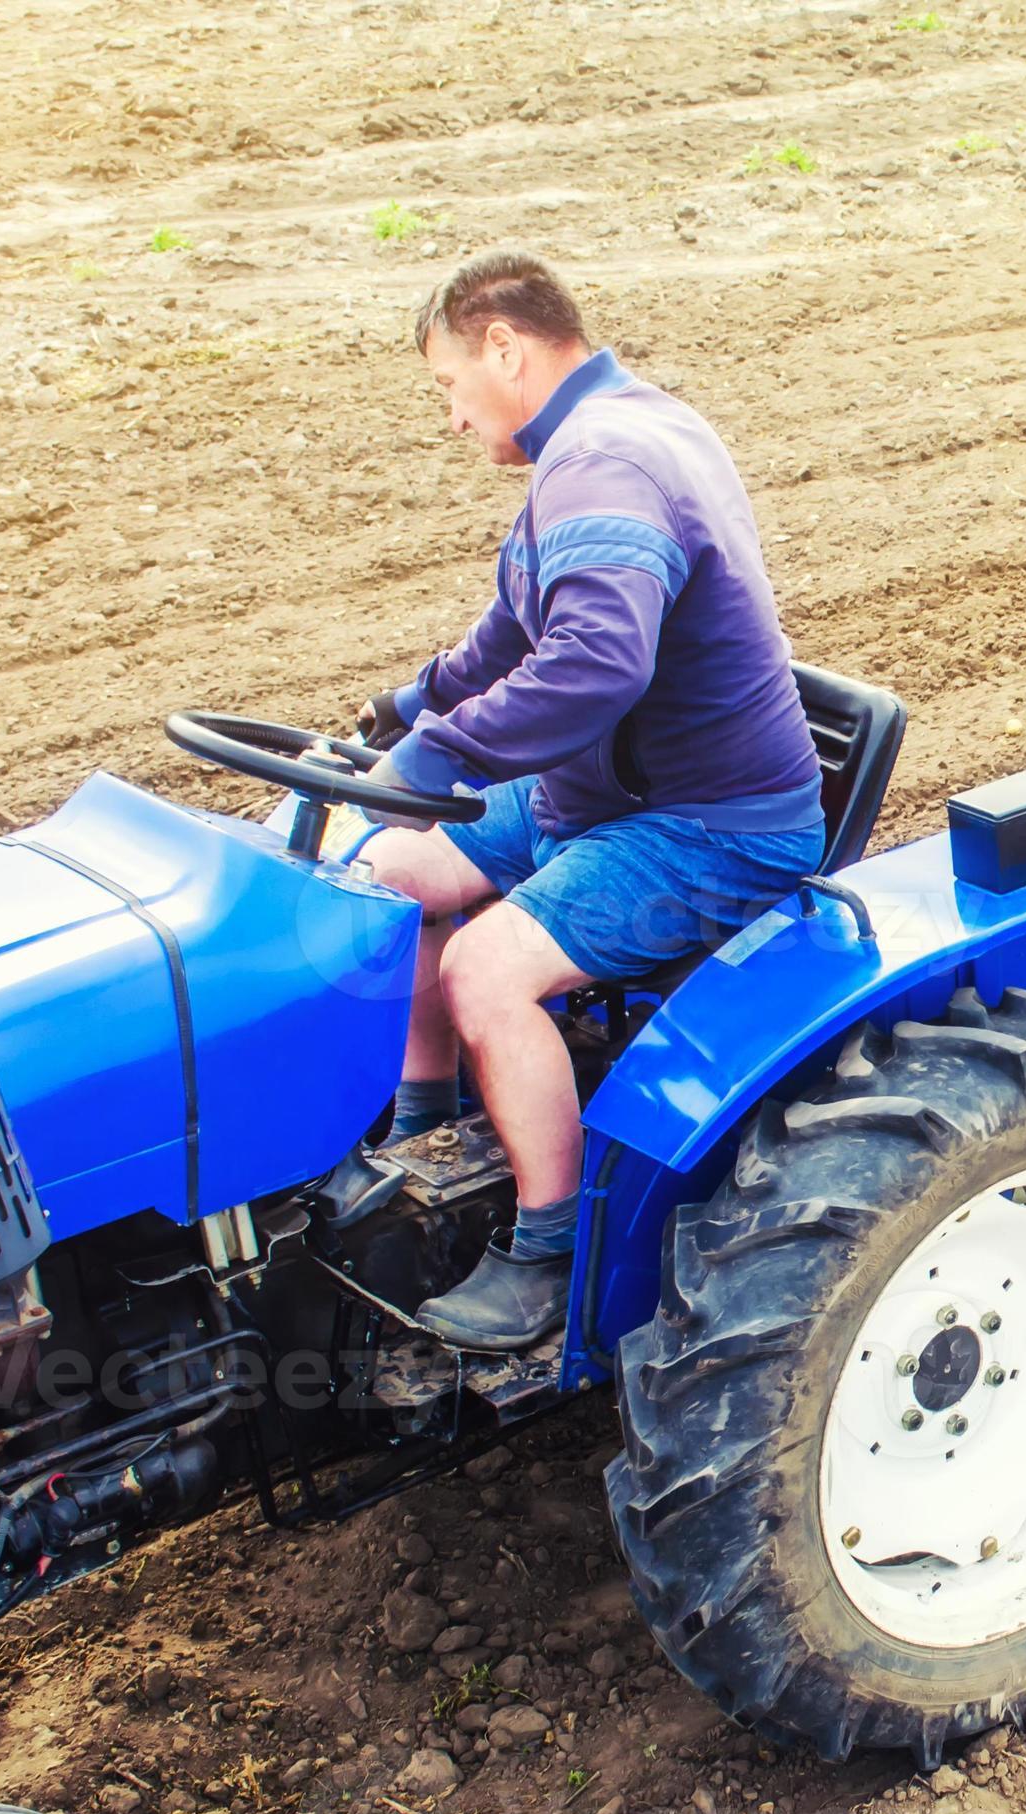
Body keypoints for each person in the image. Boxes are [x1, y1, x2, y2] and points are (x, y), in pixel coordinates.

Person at [320, 248, 824, 1350]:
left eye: (448, 384)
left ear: (503, 345)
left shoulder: (603, 462)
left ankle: (548, 1247)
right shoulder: (606, 435)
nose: (452, 417)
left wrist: (441, 751)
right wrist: (407, 711)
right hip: (603, 791)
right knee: (389, 870)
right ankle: (427, 1130)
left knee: (485, 967)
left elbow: (597, 663)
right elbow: (518, 629)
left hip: (709, 821)